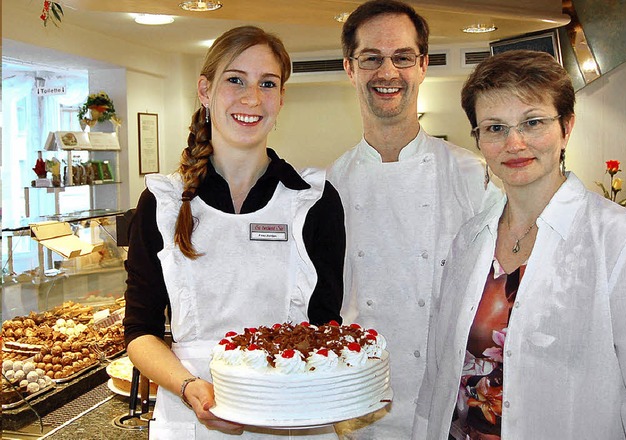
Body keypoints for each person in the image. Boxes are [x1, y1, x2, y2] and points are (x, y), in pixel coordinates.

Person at [123, 26, 346, 439]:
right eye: (235, 80)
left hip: (293, 418)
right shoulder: (163, 203)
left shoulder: (314, 201)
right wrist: (190, 388)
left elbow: (325, 326)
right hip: (190, 415)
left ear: (281, 99)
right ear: (205, 91)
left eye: (267, 83)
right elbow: (140, 332)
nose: (251, 98)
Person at [413, 49, 626, 440]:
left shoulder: (620, 240)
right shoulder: (469, 239)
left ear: (566, 127)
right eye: (495, 128)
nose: (514, 143)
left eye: (532, 122)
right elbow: (441, 372)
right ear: (480, 139)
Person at [327, 1, 500, 438]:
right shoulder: (326, 186)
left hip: (446, 405)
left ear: (422, 65)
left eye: (402, 57)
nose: (388, 72)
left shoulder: (474, 176)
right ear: (351, 68)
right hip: (355, 403)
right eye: (371, 58)